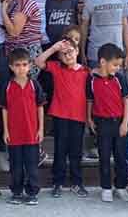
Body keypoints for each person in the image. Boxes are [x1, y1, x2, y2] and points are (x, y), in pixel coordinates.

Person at [35, 38, 89, 198]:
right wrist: (54, 48)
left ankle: (77, 182)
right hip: (60, 115)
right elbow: (38, 62)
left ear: (77, 51)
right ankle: (57, 182)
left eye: (70, 51)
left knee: (76, 151)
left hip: (78, 117)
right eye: (63, 54)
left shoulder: (86, 72)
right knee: (60, 150)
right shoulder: (56, 67)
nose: (67, 55)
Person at [86, 44, 128, 203]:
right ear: (102, 62)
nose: (117, 68)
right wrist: (89, 118)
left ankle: (121, 186)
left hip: (119, 122)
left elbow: (126, 101)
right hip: (102, 124)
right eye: (115, 65)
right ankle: (106, 187)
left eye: (119, 65)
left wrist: (125, 123)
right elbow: (90, 100)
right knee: (104, 157)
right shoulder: (92, 79)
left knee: (120, 156)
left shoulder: (120, 78)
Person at [2, 48, 45, 206]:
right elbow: (4, 109)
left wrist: (40, 129)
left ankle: (32, 192)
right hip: (14, 134)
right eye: (17, 65)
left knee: (32, 166)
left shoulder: (34, 85)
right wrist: (6, 130)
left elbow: (40, 107)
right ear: (11, 67)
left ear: (30, 66)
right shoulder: (7, 86)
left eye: (24, 65)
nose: (21, 68)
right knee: (16, 166)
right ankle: (17, 192)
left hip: (31, 134)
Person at [1, 0, 42, 74]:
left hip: (26, 55)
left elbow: (14, 32)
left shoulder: (25, 3)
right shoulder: (16, 1)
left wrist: (3, 11)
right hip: (16, 53)